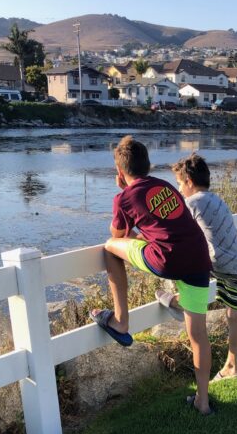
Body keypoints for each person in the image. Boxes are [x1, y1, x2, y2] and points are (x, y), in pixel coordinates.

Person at [91, 135, 214, 415]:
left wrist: (123, 193)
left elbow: (118, 234)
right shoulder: (166, 186)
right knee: (199, 335)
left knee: (109, 248)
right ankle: (203, 402)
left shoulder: (124, 198)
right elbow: (166, 224)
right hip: (198, 256)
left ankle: (121, 321)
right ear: (148, 165)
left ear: (119, 171)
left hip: (168, 260)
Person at [160, 153, 237, 382]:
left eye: (179, 184)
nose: (179, 189)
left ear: (189, 181)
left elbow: (170, 228)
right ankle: (232, 366)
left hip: (220, 264)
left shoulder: (192, 202)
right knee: (234, 315)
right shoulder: (216, 199)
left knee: (184, 264)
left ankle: (177, 300)